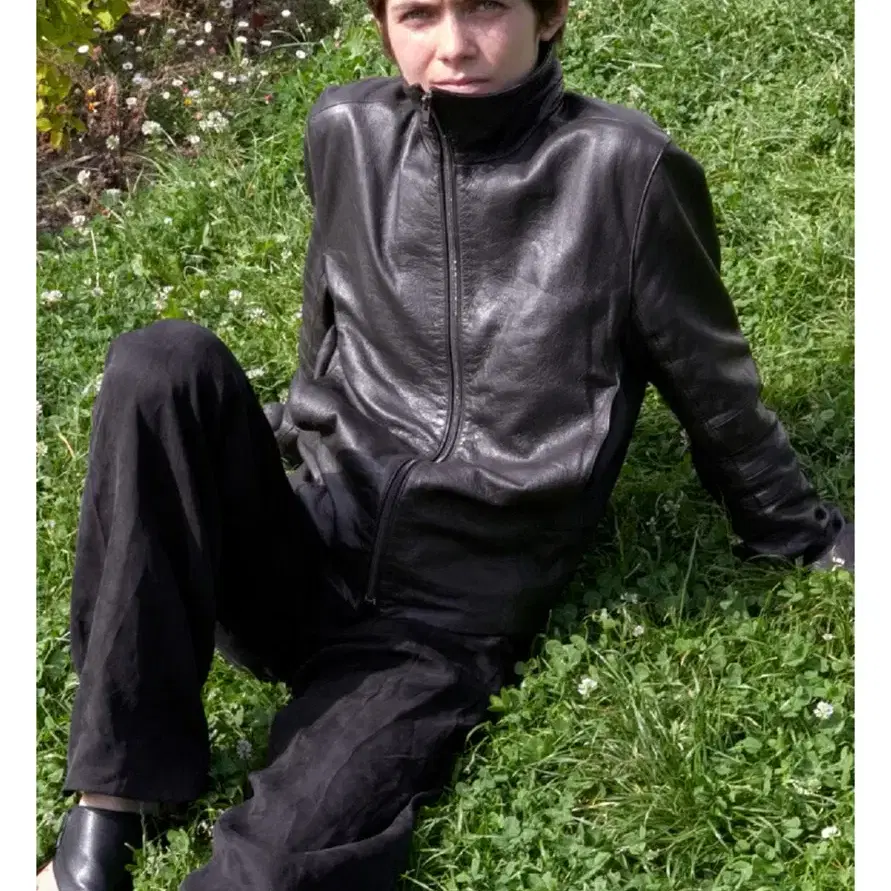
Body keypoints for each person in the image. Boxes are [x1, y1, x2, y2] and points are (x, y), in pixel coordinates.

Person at [38, 1, 854, 889]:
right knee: (161, 361)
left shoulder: (624, 172)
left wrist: (796, 530)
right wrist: (246, 450)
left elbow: (712, 382)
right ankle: (114, 790)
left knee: (272, 869)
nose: (453, 46)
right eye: (418, 13)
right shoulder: (345, 130)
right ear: (383, 25)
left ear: (550, 16)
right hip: (310, 543)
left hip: (437, 623)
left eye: (486, 8)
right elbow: (327, 329)